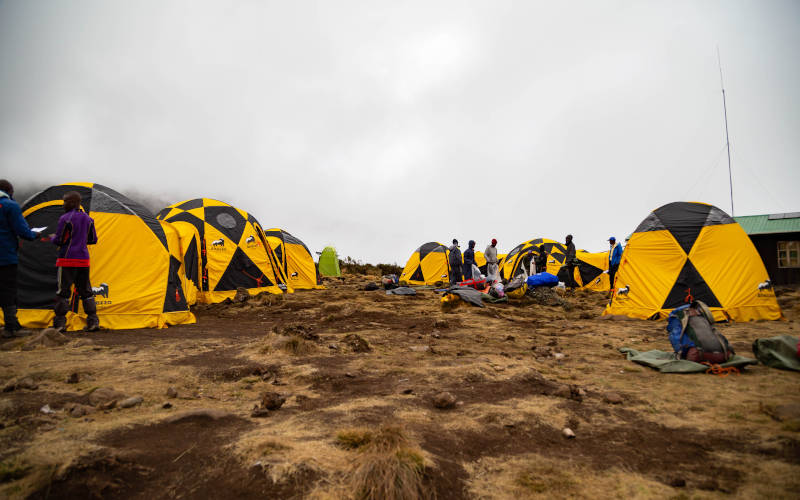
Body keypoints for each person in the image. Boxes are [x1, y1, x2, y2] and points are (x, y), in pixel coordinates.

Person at [51, 191, 100, 332]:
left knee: (63, 292)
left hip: (67, 260)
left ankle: (60, 325)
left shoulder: (65, 218)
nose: (63, 204)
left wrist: (53, 238)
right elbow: (93, 240)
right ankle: (93, 322)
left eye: (65, 201)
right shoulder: (89, 219)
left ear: (72, 202)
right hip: (83, 260)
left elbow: (59, 240)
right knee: (86, 291)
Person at [0, 180, 42, 337]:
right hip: (5, 257)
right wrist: (34, 234)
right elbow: (23, 232)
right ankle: (11, 327)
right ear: (9, 191)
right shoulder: (10, 206)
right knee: (8, 290)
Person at [667, 300, 733, 363]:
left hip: (698, 355)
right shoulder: (703, 315)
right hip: (725, 354)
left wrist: (680, 354)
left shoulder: (677, 316)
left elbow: (676, 339)